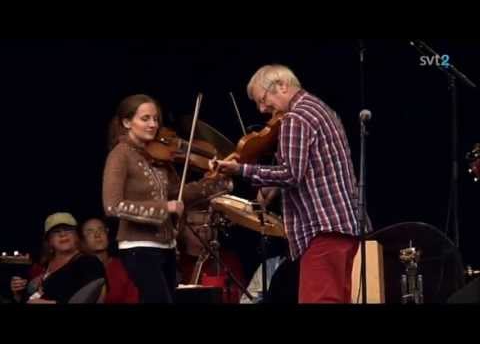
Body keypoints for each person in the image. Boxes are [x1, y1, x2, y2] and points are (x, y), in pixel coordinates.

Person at [212, 65, 361, 303]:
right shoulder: (321, 109)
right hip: (342, 226)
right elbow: (312, 169)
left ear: (282, 85)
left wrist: (241, 169)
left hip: (320, 228)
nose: (262, 109)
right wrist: (269, 187)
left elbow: (291, 173)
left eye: (263, 99)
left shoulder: (295, 117)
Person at [103, 94, 232, 303]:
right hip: (138, 247)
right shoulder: (120, 155)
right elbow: (112, 205)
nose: (153, 124)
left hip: (167, 246)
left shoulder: (156, 157)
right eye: (145, 119)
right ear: (127, 122)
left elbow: (178, 195)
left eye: (155, 119)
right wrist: (164, 208)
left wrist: (215, 182)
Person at [10, 212, 105, 304]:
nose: (63, 234)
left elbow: (93, 298)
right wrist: (18, 294)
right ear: (49, 240)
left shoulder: (89, 263)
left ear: (77, 235)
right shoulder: (43, 265)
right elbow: (31, 297)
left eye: (68, 229)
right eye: (56, 231)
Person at [177, 209, 246, 303]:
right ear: (182, 229)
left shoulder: (228, 260)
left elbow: (240, 297)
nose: (203, 228)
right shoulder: (175, 263)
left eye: (208, 223)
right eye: (194, 224)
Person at [80, 218, 139, 303]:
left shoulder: (124, 266)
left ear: (107, 233)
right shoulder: (78, 270)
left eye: (101, 229)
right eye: (90, 232)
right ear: (82, 241)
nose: (97, 235)